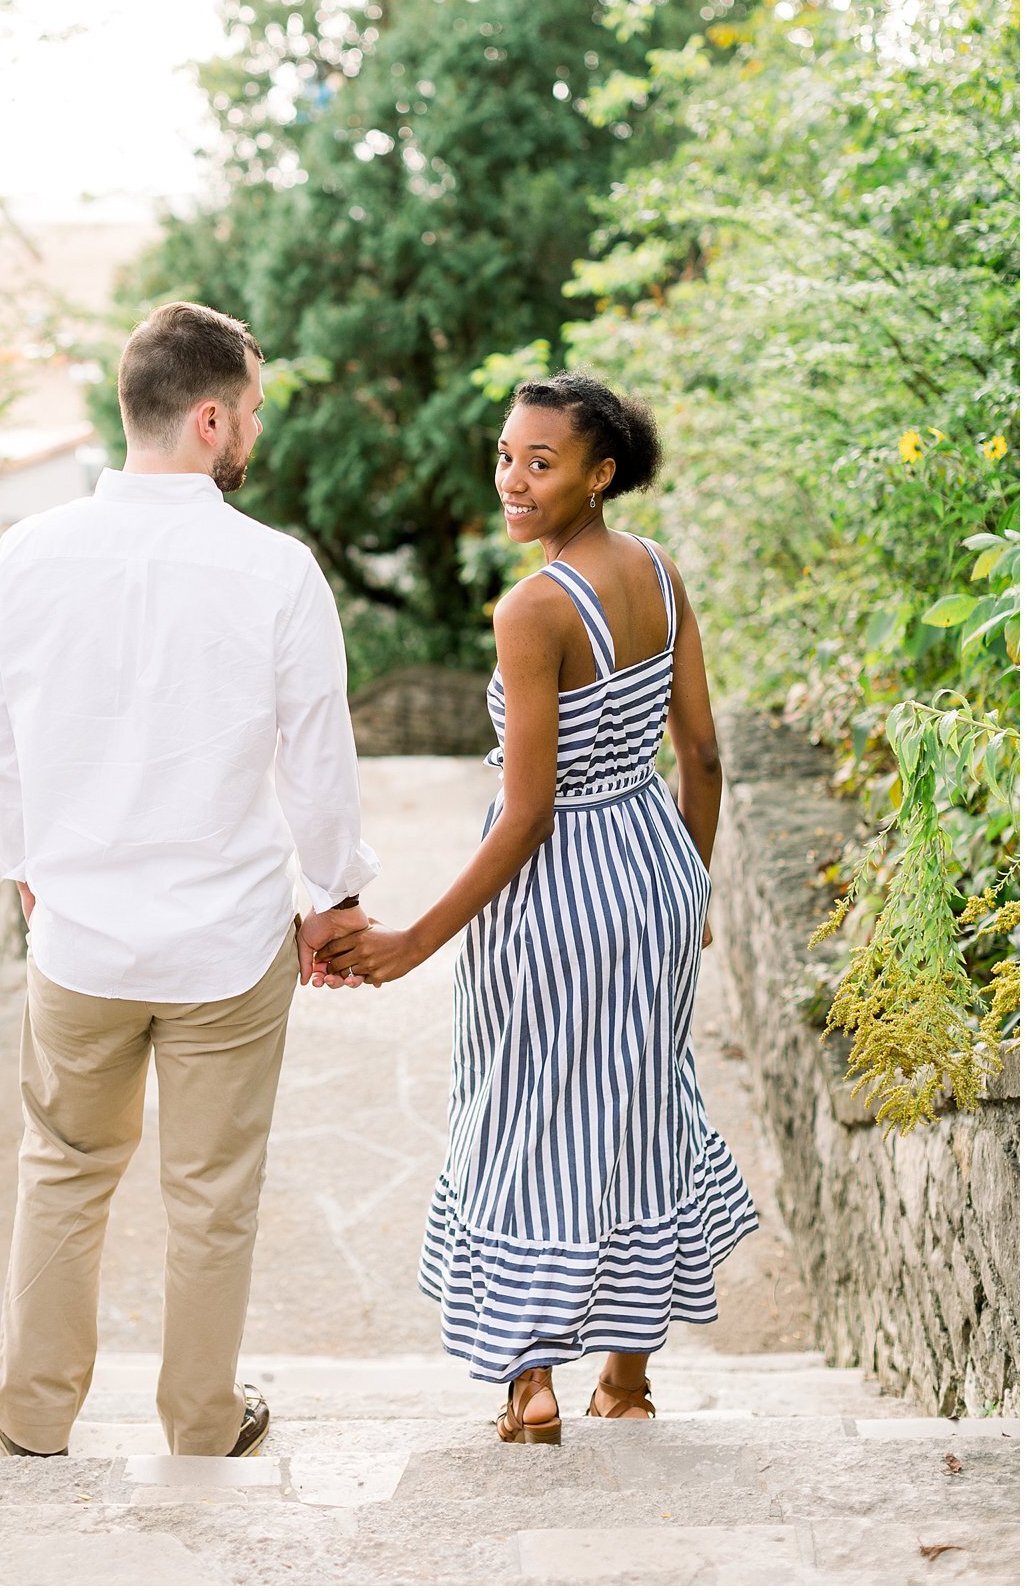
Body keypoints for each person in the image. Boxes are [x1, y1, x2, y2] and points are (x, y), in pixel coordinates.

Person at [0, 301, 377, 1460]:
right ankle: (200, 1420)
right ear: (207, 417)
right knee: (212, 1192)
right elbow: (318, 759)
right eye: (248, 411)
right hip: (226, 947)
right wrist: (336, 896)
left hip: (80, 937)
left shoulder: (26, 553)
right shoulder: (276, 571)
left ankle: (32, 1415)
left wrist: (24, 874)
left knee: (63, 1170)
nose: (253, 431)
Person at [315, 371, 758, 1440]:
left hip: (553, 899)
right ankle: (627, 1375)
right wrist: (686, 884)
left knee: (524, 1122)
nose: (513, 479)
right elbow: (698, 752)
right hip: (651, 867)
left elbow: (525, 814)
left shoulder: (534, 607)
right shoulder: (658, 569)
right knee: (637, 1112)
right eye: (506, 455)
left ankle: (530, 1380)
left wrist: (414, 939)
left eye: (540, 462)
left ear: (599, 474)